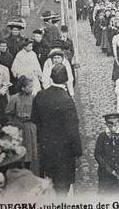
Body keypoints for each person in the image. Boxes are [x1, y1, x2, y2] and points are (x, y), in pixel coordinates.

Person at [31, 64, 82, 194]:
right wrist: (77, 152)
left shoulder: (40, 95)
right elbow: (73, 130)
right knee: (62, 187)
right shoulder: (67, 100)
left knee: (48, 184)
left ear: (51, 77)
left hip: (46, 147)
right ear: (66, 80)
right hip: (63, 152)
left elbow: (34, 119)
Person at [5, 76, 39, 175]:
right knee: (19, 148)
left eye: (32, 87)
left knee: (29, 149)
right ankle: (19, 168)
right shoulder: (15, 98)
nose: (31, 89)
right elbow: (8, 112)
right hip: (18, 127)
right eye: (29, 87)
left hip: (30, 127)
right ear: (23, 88)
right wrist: (14, 126)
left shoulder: (33, 97)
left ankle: (28, 169)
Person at [94, 113, 119, 195]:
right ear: (106, 124)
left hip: (118, 173)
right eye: (110, 125)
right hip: (105, 173)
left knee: (115, 194)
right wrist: (107, 168)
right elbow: (97, 155)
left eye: (115, 124)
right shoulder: (102, 136)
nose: (113, 127)